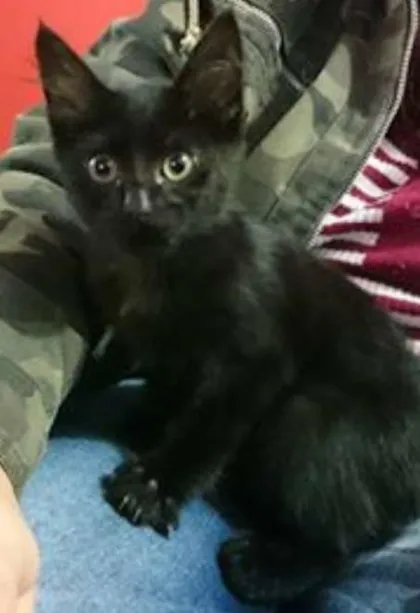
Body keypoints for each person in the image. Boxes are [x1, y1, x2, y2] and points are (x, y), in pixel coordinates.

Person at [2, 0, 420, 611]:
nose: (139, 202)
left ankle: (313, 553)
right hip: (235, 436)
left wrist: (168, 481)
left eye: (174, 166)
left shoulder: (230, 267)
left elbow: (253, 371)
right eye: (105, 169)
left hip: (351, 446)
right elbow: (32, 208)